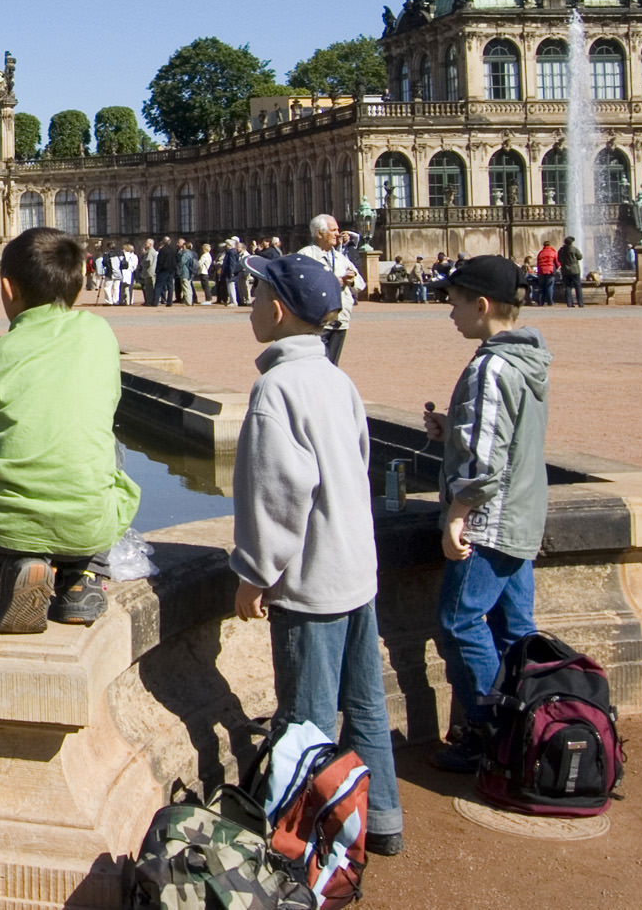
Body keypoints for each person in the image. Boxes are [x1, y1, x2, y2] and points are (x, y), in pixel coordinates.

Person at [230, 253, 404, 856]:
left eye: (256, 296)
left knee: (305, 722)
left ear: (278, 311)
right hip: (356, 570)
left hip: (311, 584)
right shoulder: (336, 378)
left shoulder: (276, 389)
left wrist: (255, 573)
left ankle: (301, 848)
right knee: (367, 707)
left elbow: (276, 497)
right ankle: (382, 821)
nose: (250, 306)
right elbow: (357, 465)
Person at [0, 227, 141, 633]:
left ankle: (2, 578)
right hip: (92, 520)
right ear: (79, 283)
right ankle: (84, 577)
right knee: (108, 451)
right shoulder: (100, 335)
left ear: (7, 289)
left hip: (5, 525)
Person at [421, 255, 551, 775]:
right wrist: (452, 426)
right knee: (516, 631)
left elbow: (484, 460)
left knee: (459, 621)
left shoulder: (491, 366)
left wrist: (458, 512)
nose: (449, 313)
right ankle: (532, 729)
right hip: (521, 517)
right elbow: (505, 436)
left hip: (489, 522)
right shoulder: (528, 358)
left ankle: (491, 732)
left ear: (481, 305)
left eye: (454, 303)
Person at [297, 214, 365, 364]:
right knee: (314, 364)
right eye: (333, 230)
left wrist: (351, 280)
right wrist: (335, 282)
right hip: (317, 323)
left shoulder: (341, 258)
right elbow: (300, 286)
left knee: (332, 366)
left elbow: (361, 284)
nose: (337, 234)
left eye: (337, 230)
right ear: (319, 233)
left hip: (340, 321)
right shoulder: (305, 256)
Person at [557, 236, 584, 307]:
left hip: (565, 270)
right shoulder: (574, 249)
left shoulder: (561, 250)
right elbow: (580, 257)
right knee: (578, 286)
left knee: (567, 287)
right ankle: (580, 303)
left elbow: (559, 259)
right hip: (575, 270)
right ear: (571, 242)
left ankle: (569, 303)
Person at [534, 239, 559, 307]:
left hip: (541, 271)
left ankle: (541, 302)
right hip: (550, 271)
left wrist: (539, 271)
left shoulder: (540, 253)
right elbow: (557, 262)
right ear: (550, 245)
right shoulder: (553, 252)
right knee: (549, 286)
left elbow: (538, 263)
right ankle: (550, 302)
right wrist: (557, 268)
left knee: (541, 287)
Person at [155, 236, 179, 306]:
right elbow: (177, 260)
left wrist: (157, 269)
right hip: (171, 270)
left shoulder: (162, 250)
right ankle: (169, 302)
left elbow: (160, 261)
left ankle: (155, 302)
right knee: (170, 286)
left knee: (159, 286)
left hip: (163, 270)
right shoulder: (173, 250)